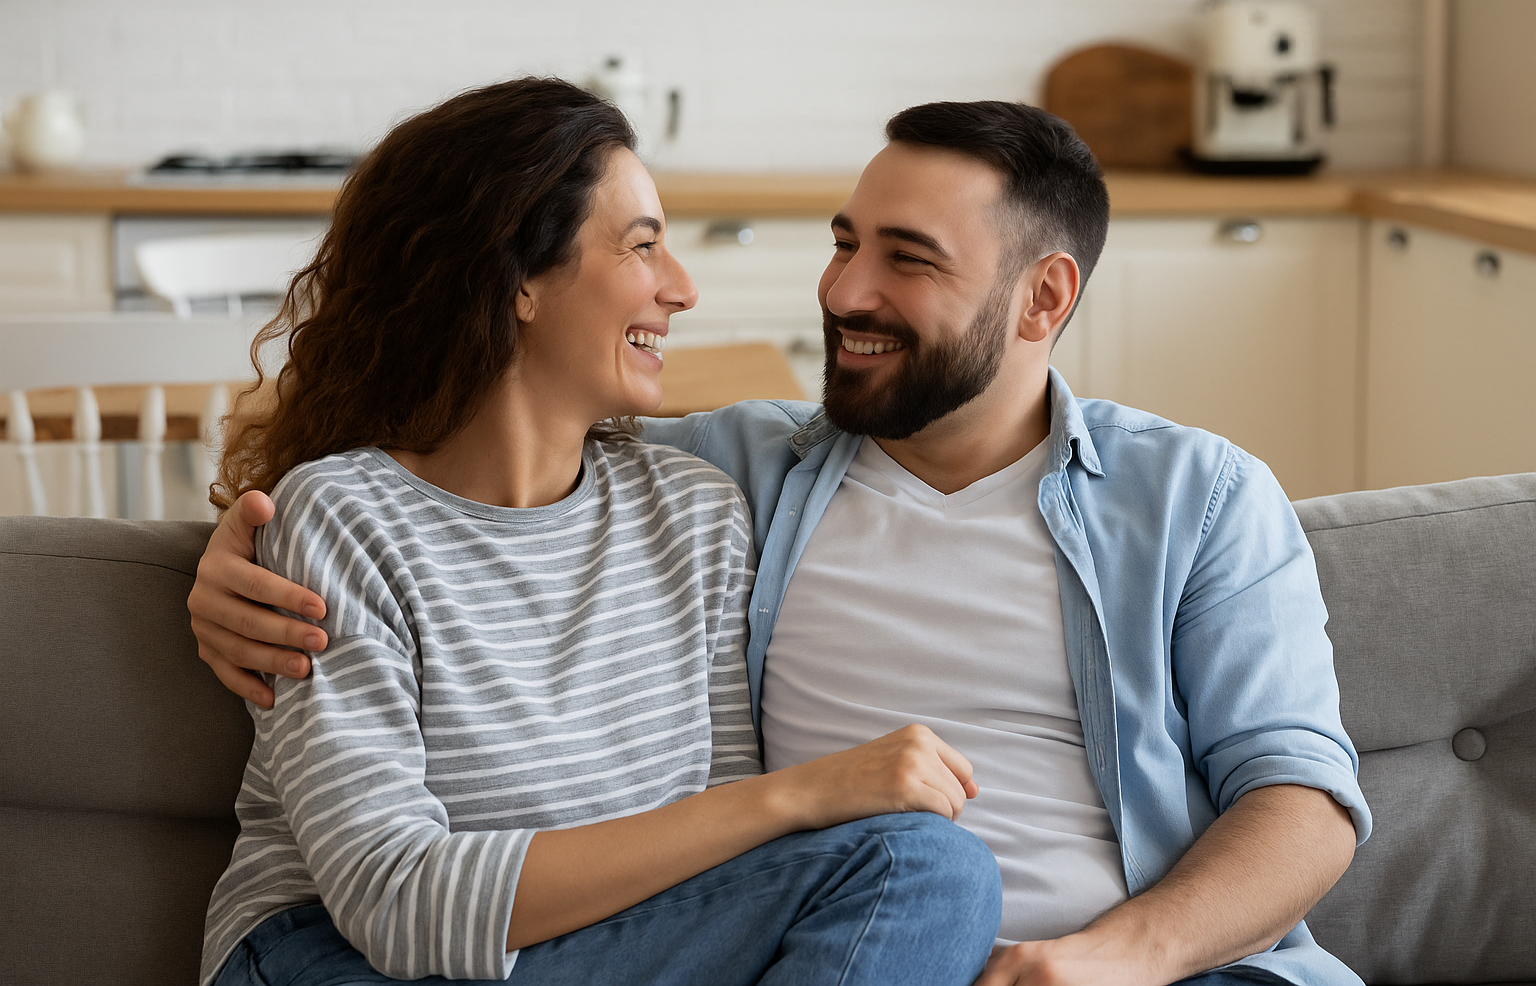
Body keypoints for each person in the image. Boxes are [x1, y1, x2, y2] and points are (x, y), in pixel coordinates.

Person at [190, 98, 1372, 986]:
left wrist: (1119, 957)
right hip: (753, 940)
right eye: (844, 239)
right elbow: (452, 472)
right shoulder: (743, 470)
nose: (841, 289)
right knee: (926, 862)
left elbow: (1305, 795)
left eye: (905, 259)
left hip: (1105, 964)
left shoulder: (1197, 496)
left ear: (1043, 300)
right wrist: (227, 560)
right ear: (519, 277)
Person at [194, 77, 1004, 986]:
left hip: (601, 948)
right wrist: (801, 796)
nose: (683, 289)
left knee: (928, 869)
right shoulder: (344, 517)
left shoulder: (693, 511)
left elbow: (721, 847)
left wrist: (764, 821)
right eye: (644, 245)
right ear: (518, 281)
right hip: (336, 956)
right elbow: (396, 902)